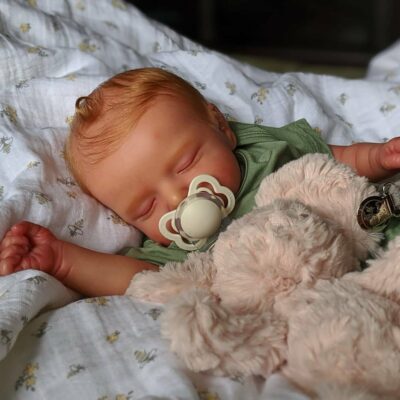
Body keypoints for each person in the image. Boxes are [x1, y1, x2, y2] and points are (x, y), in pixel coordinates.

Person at [1, 67, 400, 297]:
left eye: (186, 163)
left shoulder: (264, 152)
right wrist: (63, 260)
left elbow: (330, 160)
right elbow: (138, 278)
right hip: (325, 296)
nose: (178, 197)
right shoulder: (183, 252)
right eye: (146, 208)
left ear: (221, 128)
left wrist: (378, 158)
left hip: (372, 233)